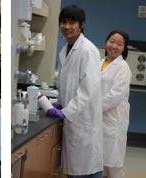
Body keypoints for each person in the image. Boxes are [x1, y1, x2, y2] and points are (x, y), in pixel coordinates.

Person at [46, 5, 103, 178]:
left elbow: (88, 89)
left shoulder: (88, 50)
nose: (67, 26)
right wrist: (61, 101)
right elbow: (66, 82)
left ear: (81, 25)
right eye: (63, 22)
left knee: (87, 171)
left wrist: (66, 111)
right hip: (73, 118)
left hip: (84, 120)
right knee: (76, 171)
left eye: (72, 22)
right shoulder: (65, 50)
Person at [100, 31, 131, 178]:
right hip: (99, 120)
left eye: (119, 44)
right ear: (106, 42)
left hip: (113, 120)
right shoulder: (100, 62)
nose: (114, 46)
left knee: (113, 167)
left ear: (124, 48)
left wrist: (92, 108)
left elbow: (114, 97)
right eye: (112, 41)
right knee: (100, 163)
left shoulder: (123, 68)